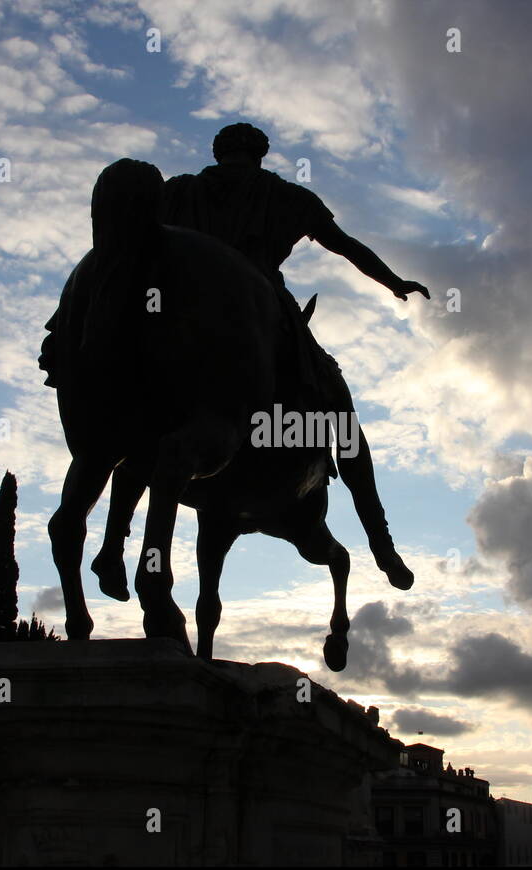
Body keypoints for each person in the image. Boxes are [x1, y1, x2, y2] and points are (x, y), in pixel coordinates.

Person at [157, 123, 425, 588]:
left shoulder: (179, 191)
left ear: (218, 151)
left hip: (187, 312)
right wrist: (394, 283)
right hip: (262, 312)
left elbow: (129, 242)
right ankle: (381, 544)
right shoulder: (286, 195)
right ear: (261, 154)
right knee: (342, 421)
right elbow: (345, 247)